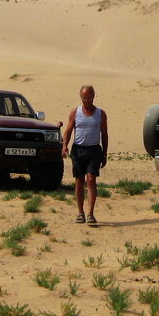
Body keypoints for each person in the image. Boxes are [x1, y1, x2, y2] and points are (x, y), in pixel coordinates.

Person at [62, 85, 108, 224]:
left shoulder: (101, 113)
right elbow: (68, 131)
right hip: (78, 150)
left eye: (89, 97)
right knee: (79, 181)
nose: (86, 100)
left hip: (94, 150)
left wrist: (105, 153)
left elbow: (104, 134)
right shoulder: (75, 112)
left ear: (93, 96)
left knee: (91, 179)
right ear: (80, 97)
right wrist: (64, 146)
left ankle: (91, 213)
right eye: (84, 98)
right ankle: (80, 213)